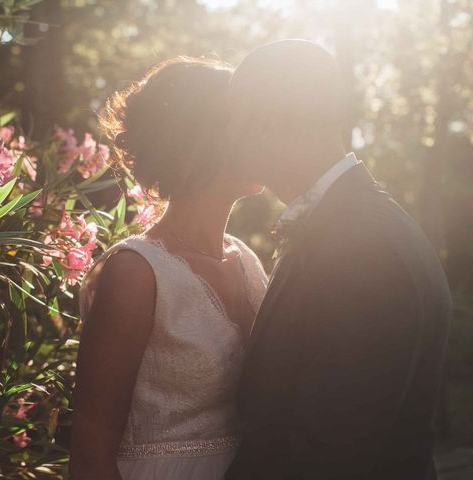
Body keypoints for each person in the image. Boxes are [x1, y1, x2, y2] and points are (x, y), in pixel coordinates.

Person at [225, 39, 451, 480]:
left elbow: (329, 453)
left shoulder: (365, 247)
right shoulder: (354, 222)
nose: (228, 137)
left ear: (267, 121)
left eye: (233, 120)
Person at [69, 57, 268, 480]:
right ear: (204, 136)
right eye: (249, 121)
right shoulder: (137, 273)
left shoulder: (247, 262)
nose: (265, 134)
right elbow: (89, 456)